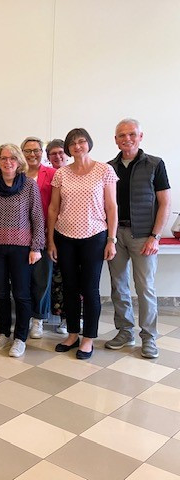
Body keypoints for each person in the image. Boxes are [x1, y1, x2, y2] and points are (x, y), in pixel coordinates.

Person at [47, 128, 118, 360]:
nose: (77, 146)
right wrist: (50, 240)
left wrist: (111, 239)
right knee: (69, 288)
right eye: (72, 143)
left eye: (81, 141)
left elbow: (111, 208)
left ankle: (88, 338)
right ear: (68, 148)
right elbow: (53, 208)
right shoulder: (61, 174)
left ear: (89, 143)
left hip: (94, 236)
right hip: (64, 236)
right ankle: (72, 334)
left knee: (90, 289)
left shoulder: (105, 170)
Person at [106, 118, 171, 359]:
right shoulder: (108, 168)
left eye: (132, 134)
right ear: (116, 140)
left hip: (143, 236)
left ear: (140, 136)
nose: (127, 139)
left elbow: (165, 203)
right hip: (116, 235)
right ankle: (125, 332)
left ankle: (149, 337)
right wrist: (109, 237)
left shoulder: (155, 164)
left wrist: (155, 237)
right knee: (118, 286)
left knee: (145, 288)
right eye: (122, 135)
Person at [0, 144, 44, 357]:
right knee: (0, 293)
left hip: (22, 248)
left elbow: (37, 217)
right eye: (3, 158)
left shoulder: (29, 186)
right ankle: (5, 332)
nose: (8, 162)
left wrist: (36, 246)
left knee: (21, 294)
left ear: (19, 162)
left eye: (12, 158)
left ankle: (20, 337)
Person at [21, 137, 56, 339]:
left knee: (42, 277)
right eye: (27, 150)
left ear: (42, 153)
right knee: (23, 278)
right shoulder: (17, 173)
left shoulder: (51, 174)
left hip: (44, 232)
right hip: (20, 233)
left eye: (36, 150)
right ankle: (25, 314)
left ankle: (39, 319)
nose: (32, 154)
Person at [45, 139, 68, 334]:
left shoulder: (75, 173)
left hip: (73, 233)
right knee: (55, 277)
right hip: (51, 231)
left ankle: (71, 318)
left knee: (73, 276)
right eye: (53, 153)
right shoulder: (48, 175)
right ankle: (55, 314)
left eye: (61, 152)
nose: (58, 156)